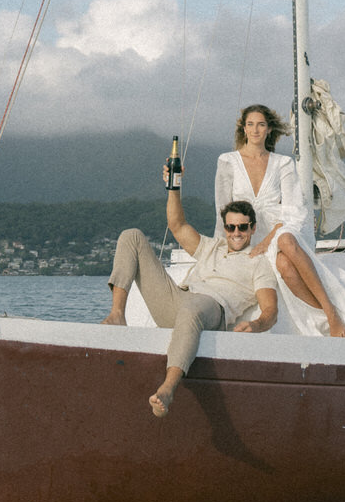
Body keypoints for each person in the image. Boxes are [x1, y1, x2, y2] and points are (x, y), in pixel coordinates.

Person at [102, 176, 278, 419]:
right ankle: (117, 314)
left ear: (253, 228)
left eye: (243, 227)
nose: (236, 233)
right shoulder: (211, 247)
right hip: (179, 300)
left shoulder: (258, 263)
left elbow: (271, 311)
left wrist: (256, 324)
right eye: (230, 227)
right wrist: (173, 187)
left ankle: (168, 388)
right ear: (225, 228)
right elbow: (177, 225)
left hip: (212, 308)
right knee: (131, 236)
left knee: (193, 307)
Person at [215, 103, 345, 340]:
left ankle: (333, 315)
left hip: (282, 227)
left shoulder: (282, 163)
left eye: (261, 124)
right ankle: (324, 318)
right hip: (246, 233)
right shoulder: (227, 161)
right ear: (243, 128)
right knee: (283, 265)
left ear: (269, 129)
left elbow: (293, 210)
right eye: (250, 124)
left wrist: (269, 239)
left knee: (286, 240)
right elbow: (222, 211)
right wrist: (223, 249)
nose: (255, 130)